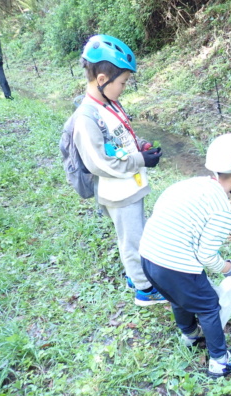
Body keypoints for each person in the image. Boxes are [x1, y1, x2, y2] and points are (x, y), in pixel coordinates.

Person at [139, 133, 231, 378]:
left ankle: (190, 336)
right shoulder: (221, 209)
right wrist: (229, 268)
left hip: (149, 257)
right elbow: (207, 258)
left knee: (179, 298)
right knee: (209, 306)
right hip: (176, 267)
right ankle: (220, 362)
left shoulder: (190, 185)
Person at [72, 34, 167, 306]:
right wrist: (140, 160)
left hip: (129, 186)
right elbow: (100, 163)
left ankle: (134, 276)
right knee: (133, 242)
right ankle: (144, 289)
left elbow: (121, 136)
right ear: (102, 79)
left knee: (134, 234)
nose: (124, 88)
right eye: (123, 82)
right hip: (118, 193)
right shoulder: (86, 118)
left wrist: (141, 146)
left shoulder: (109, 103)